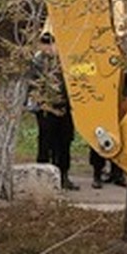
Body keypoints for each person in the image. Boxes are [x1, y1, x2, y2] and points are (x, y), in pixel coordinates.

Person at [28, 32, 77, 190]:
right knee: (45, 141)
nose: (49, 47)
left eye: (52, 43)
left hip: (64, 107)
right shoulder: (37, 61)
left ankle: (63, 175)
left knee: (64, 142)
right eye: (45, 43)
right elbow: (32, 83)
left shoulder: (65, 60)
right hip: (46, 108)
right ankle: (42, 176)